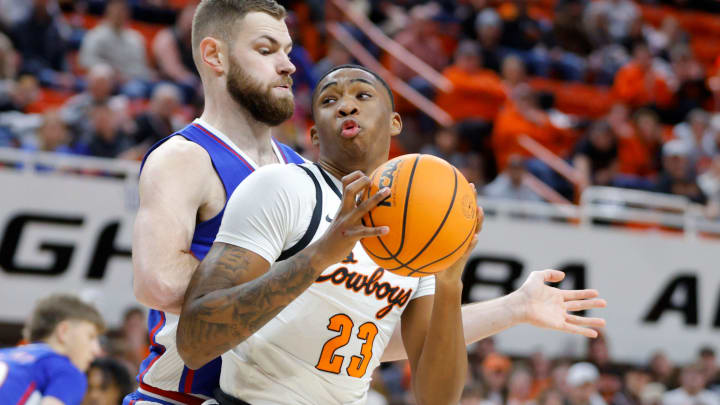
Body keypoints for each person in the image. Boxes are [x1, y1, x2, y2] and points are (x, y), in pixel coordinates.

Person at [177, 64, 606, 404]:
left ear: (396, 122)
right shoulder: (283, 188)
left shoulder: (414, 224)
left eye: (362, 95)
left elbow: (437, 396)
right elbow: (195, 343)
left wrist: (450, 282)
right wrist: (322, 254)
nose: (346, 106)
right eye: (329, 100)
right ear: (313, 132)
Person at [125, 0, 305, 403]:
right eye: (266, 50)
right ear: (214, 55)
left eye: (287, 51)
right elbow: (159, 281)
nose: (287, 65)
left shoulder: (305, 173)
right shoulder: (185, 158)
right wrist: (303, 282)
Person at [0, 294, 104, 405]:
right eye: (91, 336)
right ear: (64, 332)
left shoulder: (5, 355)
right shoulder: (67, 371)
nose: (96, 350)